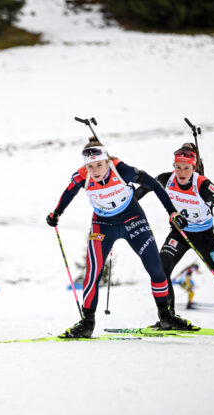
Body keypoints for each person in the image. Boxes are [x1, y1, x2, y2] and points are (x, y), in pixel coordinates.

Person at [46, 138, 197, 338]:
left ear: (106, 161)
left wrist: (172, 212)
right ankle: (87, 323)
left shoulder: (121, 169)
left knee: (156, 269)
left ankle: (166, 316)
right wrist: (56, 213)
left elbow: (154, 184)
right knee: (92, 274)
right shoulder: (81, 176)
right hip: (103, 225)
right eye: (90, 166)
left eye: (99, 164)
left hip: (132, 219)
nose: (96, 170)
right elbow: (68, 194)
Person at [136, 143, 214, 333]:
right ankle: (167, 318)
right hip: (180, 233)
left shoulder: (203, 184)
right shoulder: (165, 179)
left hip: (205, 236)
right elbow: (141, 191)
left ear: (194, 168)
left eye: (186, 168)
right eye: (177, 167)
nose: (181, 172)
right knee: (161, 270)